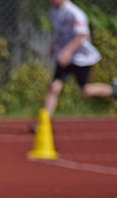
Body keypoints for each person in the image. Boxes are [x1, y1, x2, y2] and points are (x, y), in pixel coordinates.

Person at [36, 0, 117, 128]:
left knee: (85, 91)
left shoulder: (75, 13)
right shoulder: (53, 11)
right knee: (54, 87)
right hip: (64, 57)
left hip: (81, 58)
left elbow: (83, 34)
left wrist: (68, 51)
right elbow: (60, 32)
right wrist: (55, 44)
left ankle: (113, 90)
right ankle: (44, 121)